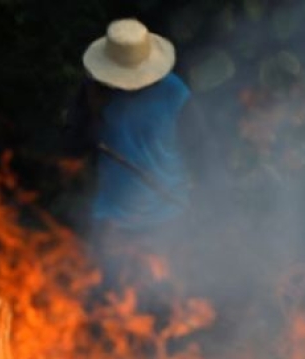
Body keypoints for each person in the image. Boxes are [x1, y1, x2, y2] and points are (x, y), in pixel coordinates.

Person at [63, 18, 223, 305]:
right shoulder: (96, 91)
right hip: (112, 220)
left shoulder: (176, 95)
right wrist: (93, 115)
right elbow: (72, 147)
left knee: (160, 303)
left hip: (167, 218)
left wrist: (208, 205)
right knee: (110, 303)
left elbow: (204, 156)